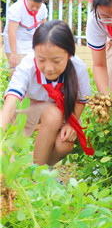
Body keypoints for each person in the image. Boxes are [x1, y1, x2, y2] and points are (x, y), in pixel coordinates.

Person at [1, 20, 93, 165]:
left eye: (56, 60)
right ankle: (30, 176)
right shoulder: (28, 65)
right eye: (41, 60)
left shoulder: (78, 67)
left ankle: (40, 170)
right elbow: (12, 99)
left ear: (69, 54)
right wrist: (1, 133)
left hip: (62, 111)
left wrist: (70, 122)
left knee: (65, 143)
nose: (49, 68)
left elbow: (81, 100)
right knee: (52, 115)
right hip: (29, 109)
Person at [3, 0, 48, 71]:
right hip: (16, 42)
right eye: (32, 5)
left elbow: (43, 29)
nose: (34, 8)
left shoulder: (43, 9)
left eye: (37, 6)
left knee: (33, 69)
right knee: (18, 69)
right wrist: (13, 53)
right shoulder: (16, 9)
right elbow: (11, 32)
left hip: (31, 42)